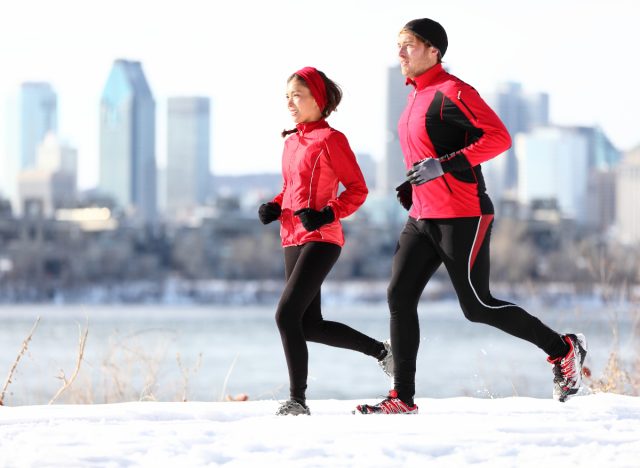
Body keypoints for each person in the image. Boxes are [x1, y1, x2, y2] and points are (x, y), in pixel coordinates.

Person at [354, 18, 587, 415]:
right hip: (422, 216)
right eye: (399, 45)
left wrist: (443, 167)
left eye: (408, 45)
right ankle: (402, 398)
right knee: (399, 295)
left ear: (434, 51)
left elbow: (498, 137)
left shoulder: (453, 91)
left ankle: (563, 348)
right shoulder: (414, 97)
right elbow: (428, 150)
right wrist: (414, 184)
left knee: (477, 305)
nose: (400, 53)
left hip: (463, 214)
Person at [258, 66, 393, 416]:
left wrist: (327, 213)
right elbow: (291, 188)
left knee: (286, 315)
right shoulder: (291, 142)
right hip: (291, 236)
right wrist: (275, 205)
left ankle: (297, 401)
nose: (290, 102)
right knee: (309, 324)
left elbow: (358, 190)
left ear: (317, 99)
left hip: (322, 236)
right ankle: (382, 351)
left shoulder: (332, 140)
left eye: (297, 95)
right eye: (286, 96)